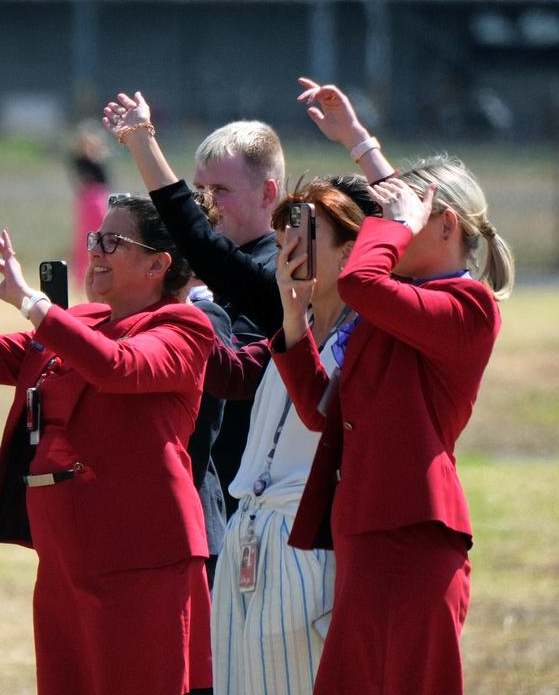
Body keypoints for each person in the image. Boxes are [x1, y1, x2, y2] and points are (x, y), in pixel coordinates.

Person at [273, 78, 516, 694]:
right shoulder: (399, 302)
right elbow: (321, 412)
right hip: (365, 530)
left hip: (415, 536)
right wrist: (357, 139)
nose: (388, 225)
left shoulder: (468, 304)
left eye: (407, 219)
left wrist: (385, 223)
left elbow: (360, 284)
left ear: (446, 228)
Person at [0, 196, 213, 695]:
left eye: (112, 242)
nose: (95, 250)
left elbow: (120, 367)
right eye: (96, 238)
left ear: (158, 265)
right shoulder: (85, 321)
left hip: (140, 555)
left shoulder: (184, 327)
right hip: (66, 556)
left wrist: (36, 305)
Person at [210, 182, 367, 694]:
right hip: (248, 535)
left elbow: (322, 414)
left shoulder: (365, 338)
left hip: (306, 543)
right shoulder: (287, 327)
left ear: (350, 250)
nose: (290, 254)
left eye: (305, 237)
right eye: (281, 244)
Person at [104, 99, 286, 521]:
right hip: (196, 487)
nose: (207, 204)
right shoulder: (204, 271)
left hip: (244, 498)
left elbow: (233, 375)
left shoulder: (279, 274)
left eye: (219, 191)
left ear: (268, 193)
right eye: (200, 190)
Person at [69, 124, 110, 283]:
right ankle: (82, 277)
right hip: (87, 200)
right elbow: (82, 179)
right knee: (84, 240)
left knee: (102, 236)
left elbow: (105, 181)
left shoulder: (100, 160)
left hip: (100, 199)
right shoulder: (79, 160)